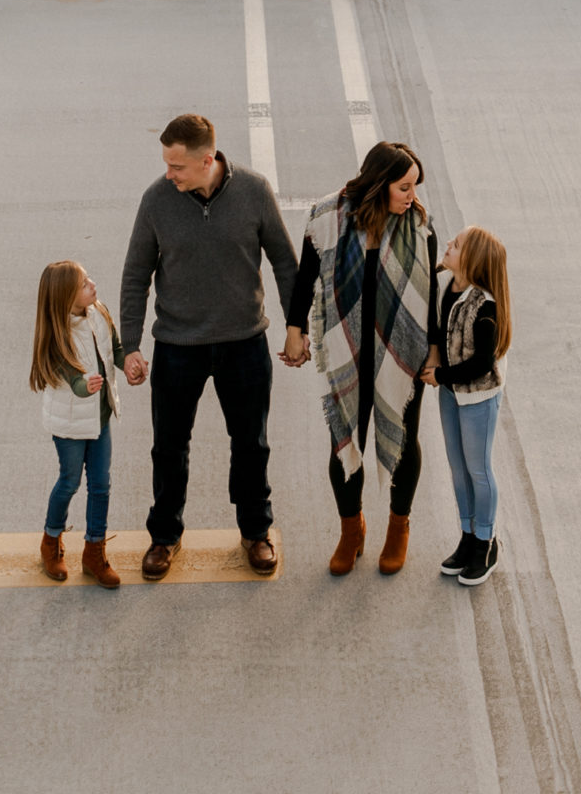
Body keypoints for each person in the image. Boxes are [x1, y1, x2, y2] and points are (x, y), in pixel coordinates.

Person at [120, 112, 296, 579]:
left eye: (177, 166)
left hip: (244, 344)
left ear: (207, 160)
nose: (168, 174)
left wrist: (297, 328)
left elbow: (284, 262)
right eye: (166, 164)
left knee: (251, 444)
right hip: (179, 346)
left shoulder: (254, 192)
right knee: (169, 447)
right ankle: (164, 536)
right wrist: (129, 345)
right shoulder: (157, 200)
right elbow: (136, 274)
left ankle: (256, 532)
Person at [282, 139, 438, 577]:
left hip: (402, 356)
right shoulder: (329, 219)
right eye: (405, 187)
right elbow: (305, 278)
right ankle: (352, 532)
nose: (414, 196)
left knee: (404, 442)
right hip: (347, 351)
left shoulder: (420, 226)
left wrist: (435, 353)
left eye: (415, 187)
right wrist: (295, 332)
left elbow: (433, 299)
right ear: (379, 184)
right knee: (345, 442)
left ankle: (397, 528)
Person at [29, 259, 124, 588]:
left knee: (101, 484)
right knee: (69, 482)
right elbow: (75, 380)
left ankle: (94, 551)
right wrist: (87, 387)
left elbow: (116, 349)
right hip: (70, 425)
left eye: (89, 279)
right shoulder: (59, 336)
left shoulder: (99, 313)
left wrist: (131, 363)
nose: (93, 285)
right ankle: (51, 540)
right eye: (84, 285)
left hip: (99, 419)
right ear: (66, 299)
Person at [427, 226, 513, 586]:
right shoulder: (450, 286)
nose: (449, 244)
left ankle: (486, 542)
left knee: (478, 469)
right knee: (458, 468)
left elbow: (482, 363)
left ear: (472, 261)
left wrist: (440, 376)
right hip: (451, 393)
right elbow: (436, 329)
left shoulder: (486, 307)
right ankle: (467, 536)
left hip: (477, 397)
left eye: (456, 245)